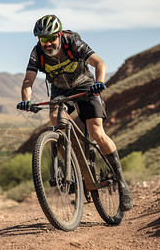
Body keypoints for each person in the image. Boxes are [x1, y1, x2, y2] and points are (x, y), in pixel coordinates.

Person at [16, 14, 133, 211]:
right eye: (43, 39)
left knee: (96, 132)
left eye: (52, 38)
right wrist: (26, 100)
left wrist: (99, 82)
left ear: (59, 35)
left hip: (86, 86)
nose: (48, 43)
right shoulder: (37, 52)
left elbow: (99, 63)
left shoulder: (72, 42)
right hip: (60, 90)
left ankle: (121, 181)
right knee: (55, 119)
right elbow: (28, 80)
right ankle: (72, 169)